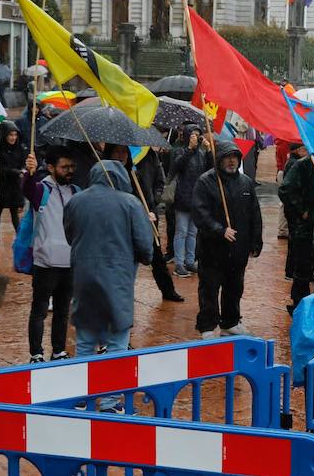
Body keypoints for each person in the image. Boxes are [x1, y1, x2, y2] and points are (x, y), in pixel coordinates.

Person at [63, 160, 154, 367]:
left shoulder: (75, 201)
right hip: (118, 279)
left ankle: (82, 396)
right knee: (117, 344)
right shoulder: (130, 203)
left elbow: (70, 236)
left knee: (85, 343)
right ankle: (109, 399)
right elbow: (145, 247)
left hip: (84, 278)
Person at [192, 138, 263, 337]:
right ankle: (207, 325)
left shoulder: (246, 182)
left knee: (234, 288)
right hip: (212, 250)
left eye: (235, 157)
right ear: (219, 159)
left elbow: (254, 214)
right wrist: (219, 229)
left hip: (237, 250)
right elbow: (200, 213)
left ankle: (230, 322)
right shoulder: (206, 182)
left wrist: (256, 241)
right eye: (227, 157)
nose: (231, 161)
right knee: (209, 289)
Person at [102, 143, 182, 303]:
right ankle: (121, 298)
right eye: (116, 152)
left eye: (124, 152)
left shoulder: (147, 156)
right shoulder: (105, 173)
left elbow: (159, 180)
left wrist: (154, 199)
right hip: (121, 224)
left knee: (156, 256)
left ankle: (168, 290)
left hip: (148, 215)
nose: (120, 155)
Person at [21, 146, 79, 362]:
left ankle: (58, 350)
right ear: (51, 167)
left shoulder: (75, 191)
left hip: (70, 262)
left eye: (72, 166)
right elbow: (27, 188)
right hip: (45, 262)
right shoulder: (42, 189)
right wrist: (30, 173)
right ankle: (36, 353)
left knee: (63, 311)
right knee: (40, 311)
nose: (69, 170)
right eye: (65, 167)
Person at [279, 150, 314, 310]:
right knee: (303, 272)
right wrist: (303, 211)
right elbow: (285, 190)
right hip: (306, 229)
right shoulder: (303, 165)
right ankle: (300, 306)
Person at [169, 129, 211, 277]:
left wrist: (210, 150)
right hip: (183, 196)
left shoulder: (201, 153)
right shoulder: (180, 150)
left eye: (197, 134)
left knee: (193, 232)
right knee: (181, 231)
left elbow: (210, 169)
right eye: (192, 134)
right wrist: (189, 150)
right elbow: (176, 167)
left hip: (197, 198)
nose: (195, 137)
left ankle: (190, 261)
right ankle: (179, 263)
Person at [0, 121, 27, 247]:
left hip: (14, 185)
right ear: (4, 135)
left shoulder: (20, 148)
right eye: (10, 135)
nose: (13, 138)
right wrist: (15, 172)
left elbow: (23, 163)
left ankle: (20, 237)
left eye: (15, 135)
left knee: (14, 212)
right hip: (1, 184)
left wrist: (23, 169)